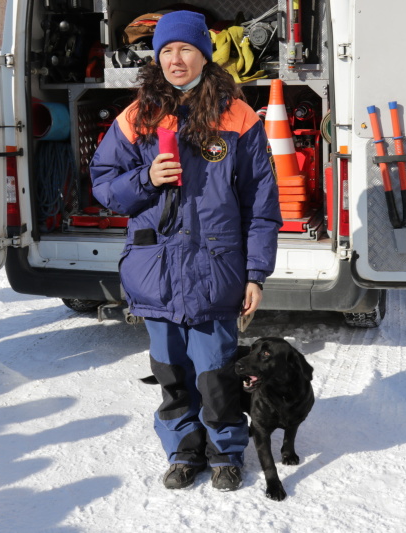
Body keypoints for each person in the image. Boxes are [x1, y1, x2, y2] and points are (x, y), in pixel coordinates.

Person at [90, 11, 282, 492]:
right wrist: (145, 179)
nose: (176, 59)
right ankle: (182, 449)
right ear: (157, 57)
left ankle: (226, 451)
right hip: (154, 270)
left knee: (216, 370)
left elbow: (261, 204)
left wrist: (256, 273)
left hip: (215, 270)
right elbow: (103, 186)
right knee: (171, 372)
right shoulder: (137, 117)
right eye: (167, 51)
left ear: (204, 54)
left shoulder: (237, 116)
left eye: (186, 49)